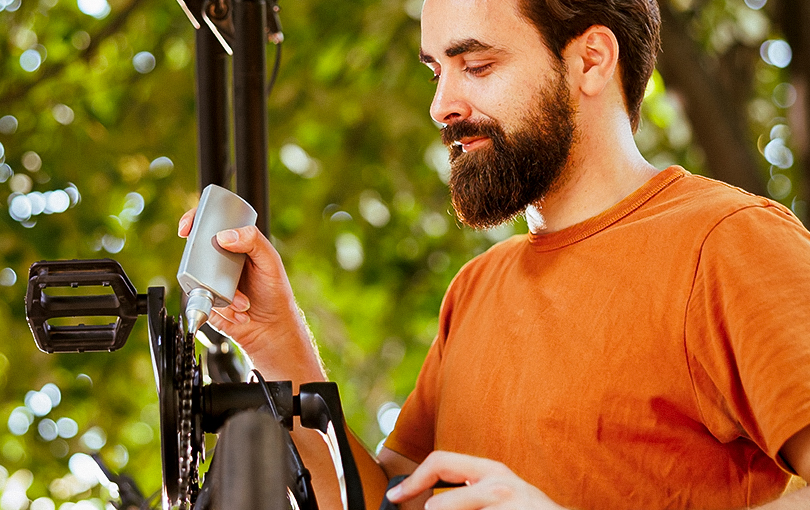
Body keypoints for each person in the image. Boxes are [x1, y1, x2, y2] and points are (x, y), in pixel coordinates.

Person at [178, 0, 810, 508]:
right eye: (436, 71)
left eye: (476, 66)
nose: (441, 106)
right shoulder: (477, 288)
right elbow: (383, 503)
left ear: (591, 59)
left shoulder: (730, 242)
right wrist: (276, 342)